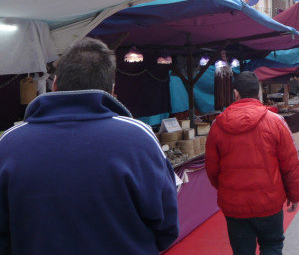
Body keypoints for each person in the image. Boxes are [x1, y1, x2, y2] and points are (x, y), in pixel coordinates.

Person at [0, 38, 179, 255]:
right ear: (112, 89)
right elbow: (167, 224)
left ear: (54, 84)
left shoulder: (9, 143)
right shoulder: (138, 138)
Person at [205, 71, 299, 255]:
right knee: (272, 246)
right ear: (258, 92)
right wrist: (294, 195)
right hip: (269, 202)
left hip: (235, 204)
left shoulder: (217, 125)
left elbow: (212, 169)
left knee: (242, 251)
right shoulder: (276, 122)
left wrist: (227, 189)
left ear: (235, 93)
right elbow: (290, 164)